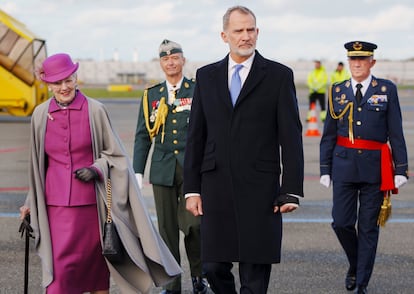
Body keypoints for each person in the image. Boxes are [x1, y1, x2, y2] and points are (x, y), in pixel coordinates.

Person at [19, 53, 182, 294]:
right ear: (48, 84)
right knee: (59, 279)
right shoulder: (41, 115)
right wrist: (29, 202)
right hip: (55, 208)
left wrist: (96, 168)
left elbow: (116, 156)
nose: (64, 87)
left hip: (92, 208)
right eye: (57, 82)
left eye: (68, 79)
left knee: (95, 274)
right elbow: (37, 166)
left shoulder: (95, 110)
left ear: (76, 78)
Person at [183, 6, 304, 294]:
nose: (245, 36)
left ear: (258, 32)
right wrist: (192, 189)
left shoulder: (278, 76)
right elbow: (196, 136)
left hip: (260, 189)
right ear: (225, 35)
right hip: (216, 186)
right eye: (238, 31)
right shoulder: (206, 76)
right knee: (212, 266)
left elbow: (291, 136)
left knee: (254, 273)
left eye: (251, 30)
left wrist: (291, 188)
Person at [320, 41, 409, 294]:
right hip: (343, 166)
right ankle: (356, 263)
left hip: (375, 169)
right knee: (341, 222)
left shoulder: (386, 89)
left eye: (362, 59)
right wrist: (325, 168)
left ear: (372, 62)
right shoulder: (337, 91)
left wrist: (401, 169)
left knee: (368, 228)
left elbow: (396, 131)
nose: (357, 64)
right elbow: (328, 134)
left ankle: (361, 283)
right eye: (353, 59)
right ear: (348, 62)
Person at [133, 40, 207, 294]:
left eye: (175, 57)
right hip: (163, 170)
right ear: (161, 63)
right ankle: (172, 284)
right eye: (166, 59)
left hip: (191, 170)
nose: (171, 62)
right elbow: (143, 135)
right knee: (166, 231)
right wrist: (138, 171)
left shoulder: (197, 90)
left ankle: (199, 277)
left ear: (183, 60)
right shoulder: (151, 95)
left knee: (195, 226)